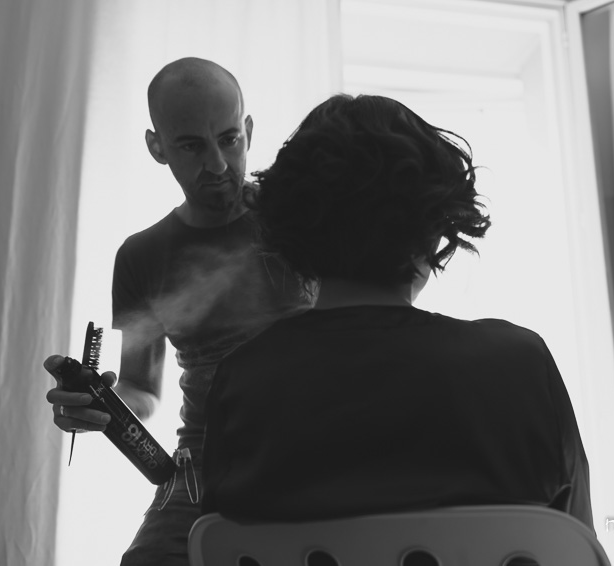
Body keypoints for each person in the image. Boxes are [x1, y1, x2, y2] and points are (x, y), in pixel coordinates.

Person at [201, 94, 594, 528]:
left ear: (289, 229)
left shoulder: (243, 382)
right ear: (433, 224)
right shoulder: (520, 366)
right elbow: (577, 543)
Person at [43, 57, 307, 565]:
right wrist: (99, 407)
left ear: (248, 129)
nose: (217, 165)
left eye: (229, 139)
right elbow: (141, 388)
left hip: (317, 445)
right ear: (156, 147)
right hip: (207, 462)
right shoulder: (142, 256)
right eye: (191, 145)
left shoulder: (298, 215)